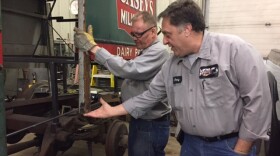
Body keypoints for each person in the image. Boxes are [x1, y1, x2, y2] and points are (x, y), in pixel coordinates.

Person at [83, 1, 272, 156]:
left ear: (187, 29)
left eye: (167, 34)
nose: (164, 41)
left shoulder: (235, 51)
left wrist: (240, 150)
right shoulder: (172, 64)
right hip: (190, 145)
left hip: (228, 147)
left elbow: (258, 103)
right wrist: (112, 111)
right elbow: (149, 96)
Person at [74, 11, 171, 156]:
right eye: (133, 34)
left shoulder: (159, 52)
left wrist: (93, 47)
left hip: (150, 124)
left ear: (152, 31)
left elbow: (128, 69)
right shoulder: (146, 50)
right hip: (142, 120)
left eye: (138, 34)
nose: (134, 39)